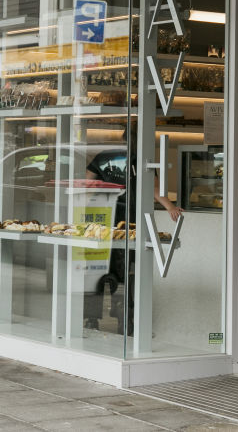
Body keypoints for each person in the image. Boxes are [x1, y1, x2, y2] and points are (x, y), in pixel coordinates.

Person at [83, 136, 183, 332]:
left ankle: (92, 319)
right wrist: (170, 206)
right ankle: (124, 320)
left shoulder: (104, 157)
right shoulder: (141, 160)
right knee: (124, 274)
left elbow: (88, 182)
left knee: (96, 270)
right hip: (127, 221)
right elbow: (153, 188)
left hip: (102, 219)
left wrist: (86, 207)